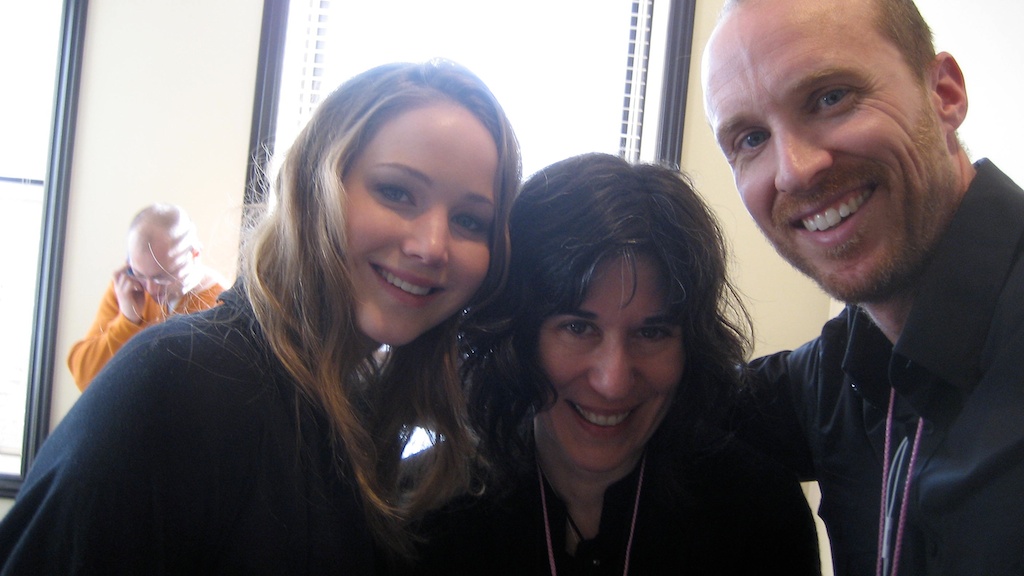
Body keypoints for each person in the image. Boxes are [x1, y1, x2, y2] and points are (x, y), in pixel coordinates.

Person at [0, 59, 521, 574]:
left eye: (470, 220)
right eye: (396, 192)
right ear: (314, 187)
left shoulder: (363, 408)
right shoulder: (177, 383)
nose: (432, 246)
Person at [701, 0, 1024, 574]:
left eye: (831, 98)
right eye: (751, 138)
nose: (795, 170)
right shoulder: (845, 367)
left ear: (944, 95)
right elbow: (668, 399)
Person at [402, 153, 822, 575]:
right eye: (578, 328)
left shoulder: (760, 513)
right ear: (520, 335)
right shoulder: (419, 510)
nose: (613, 382)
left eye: (652, 333)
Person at [67, 203, 228, 391]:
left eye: (162, 277)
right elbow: (85, 377)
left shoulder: (221, 305)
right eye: (141, 275)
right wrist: (128, 321)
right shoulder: (127, 288)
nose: (151, 289)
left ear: (194, 255)